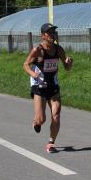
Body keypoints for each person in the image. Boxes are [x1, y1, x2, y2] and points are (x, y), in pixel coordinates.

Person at [23, 23, 74, 153]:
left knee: (56, 115)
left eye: (54, 33)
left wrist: (69, 64)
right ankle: (36, 122)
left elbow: (66, 68)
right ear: (43, 35)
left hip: (53, 86)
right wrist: (33, 73)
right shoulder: (37, 50)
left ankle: (51, 143)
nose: (53, 35)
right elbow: (25, 64)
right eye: (50, 33)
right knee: (42, 119)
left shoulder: (59, 49)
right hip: (39, 86)